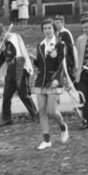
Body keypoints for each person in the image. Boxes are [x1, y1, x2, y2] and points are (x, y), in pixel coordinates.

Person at [0, 24, 37, 126]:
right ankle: (6, 118)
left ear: (3, 34)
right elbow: (1, 59)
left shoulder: (14, 38)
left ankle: (35, 114)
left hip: (20, 68)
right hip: (10, 71)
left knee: (23, 95)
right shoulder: (4, 42)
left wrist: (4, 49)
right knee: (6, 95)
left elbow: (13, 53)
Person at [32, 19, 69, 150]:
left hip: (54, 81)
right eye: (45, 28)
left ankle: (63, 126)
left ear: (54, 30)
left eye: (49, 28)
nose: (47, 31)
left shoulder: (60, 45)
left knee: (52, 111)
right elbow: (40, 64)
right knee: (42, 111)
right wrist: (35, 62)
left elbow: (60, 65)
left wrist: (56, 80)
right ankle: (46, 140)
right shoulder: (40, 45)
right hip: (41, 81)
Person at [55, 14, 78, 82]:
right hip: (60, 59)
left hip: (67, 59)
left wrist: (74, 62)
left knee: (69, 75)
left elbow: (71, 47)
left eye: (58, 23)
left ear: (63, 23)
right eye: (55, 23)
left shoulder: (66, 33)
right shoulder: (57, 33)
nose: (56, 24)